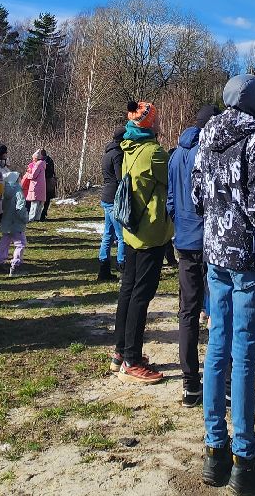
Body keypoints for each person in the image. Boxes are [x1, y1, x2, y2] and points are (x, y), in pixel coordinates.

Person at [192, 75, 255, 493]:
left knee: (217, 346)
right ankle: (244, 457)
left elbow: (197, 198)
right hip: (247, 257)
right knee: (244, 355)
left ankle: (215, 452)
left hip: (215, 253)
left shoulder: (205, 137)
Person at [112, 101, 173, 384]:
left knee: (128, 290)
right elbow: (172, 181)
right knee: (141, 295)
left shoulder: (128, 147)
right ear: (148, 123)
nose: (159, 123)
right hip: (149, 233)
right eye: (156, 119)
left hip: (131, 230)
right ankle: (133, 360)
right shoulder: (154, 153)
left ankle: (120, 352)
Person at [169, 105, 215, 408]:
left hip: (184, 241)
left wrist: (179, 225)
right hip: (208, 241)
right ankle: (222, 383)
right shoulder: (208, 153)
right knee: (218, 312)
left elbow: (171, 199)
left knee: (187, 312)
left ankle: (190, 384)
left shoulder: (175, 155)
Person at [99, 126, 126, 280]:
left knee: (108, 234)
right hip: (114, 198)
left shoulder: (107, 154)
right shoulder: (117, 155)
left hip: (106, 196)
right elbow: (119, 177)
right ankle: (123, 267)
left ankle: (103, 267)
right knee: (121, 235)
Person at [0, 165, 28, 274]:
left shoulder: (4, 191)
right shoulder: (18, 191)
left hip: (6, 222)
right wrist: (24, 218)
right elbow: (20, 207)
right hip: (16, 222)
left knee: (4, 242)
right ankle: (16, 264)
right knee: (20, 243)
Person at [22, 149, 48, 222]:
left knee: (34, 203)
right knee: (40, 204)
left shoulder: (37, 164)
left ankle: (31, 218)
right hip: (42, 186)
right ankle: (37, 218)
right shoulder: (43, 163)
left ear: (36, 158)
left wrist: (28, 175)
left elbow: (33, 175)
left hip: (36, 185)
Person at [42, 150, 57, 220]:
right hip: (50, 181)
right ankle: (44, 212)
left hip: (46, 181)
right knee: (47, 199)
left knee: (45, 198)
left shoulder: (44, 161)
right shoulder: (50, 160)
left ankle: (43, 213)